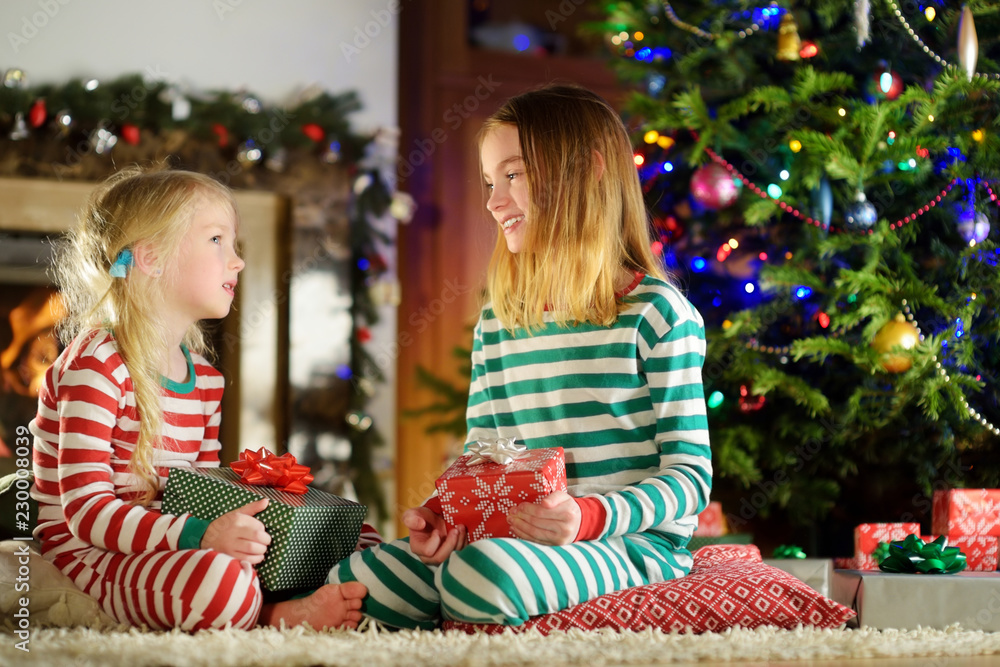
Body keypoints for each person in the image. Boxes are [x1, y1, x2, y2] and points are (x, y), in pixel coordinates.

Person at [328, 84, 712, 629]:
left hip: (628, 544)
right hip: (513, 539)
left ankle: (472, 600)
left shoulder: (656, 313)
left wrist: (586, 516)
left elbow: (691, 476)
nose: (492, 201)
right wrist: (446, 516)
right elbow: (484, 457)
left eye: (512, 175)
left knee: (481, 574)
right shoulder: (499, 321)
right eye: (489, 182)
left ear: (588, 170)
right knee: (359, 578)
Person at [29, 165, 366, 631]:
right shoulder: (96, 364)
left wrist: (249, 526)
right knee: (223, 584)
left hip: (168, 546)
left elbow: (197, 496)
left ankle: (277, 599)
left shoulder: (205, 380)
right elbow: (85, 512)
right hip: (90, 557)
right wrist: (201, 535)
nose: (238, 260)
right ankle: (273, 617)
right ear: (151, 256)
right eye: (216, 240)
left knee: (341, 549)